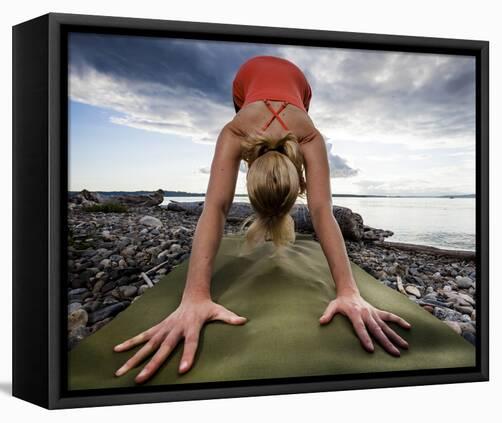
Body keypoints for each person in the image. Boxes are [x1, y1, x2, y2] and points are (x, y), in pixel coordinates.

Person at [112, 55, 411, 384]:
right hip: (248, 83)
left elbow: (219, 207)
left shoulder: (292, 134)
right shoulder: (247, 129)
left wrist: (349, 291)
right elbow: (316, 210)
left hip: (298, 87)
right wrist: (194, 296)